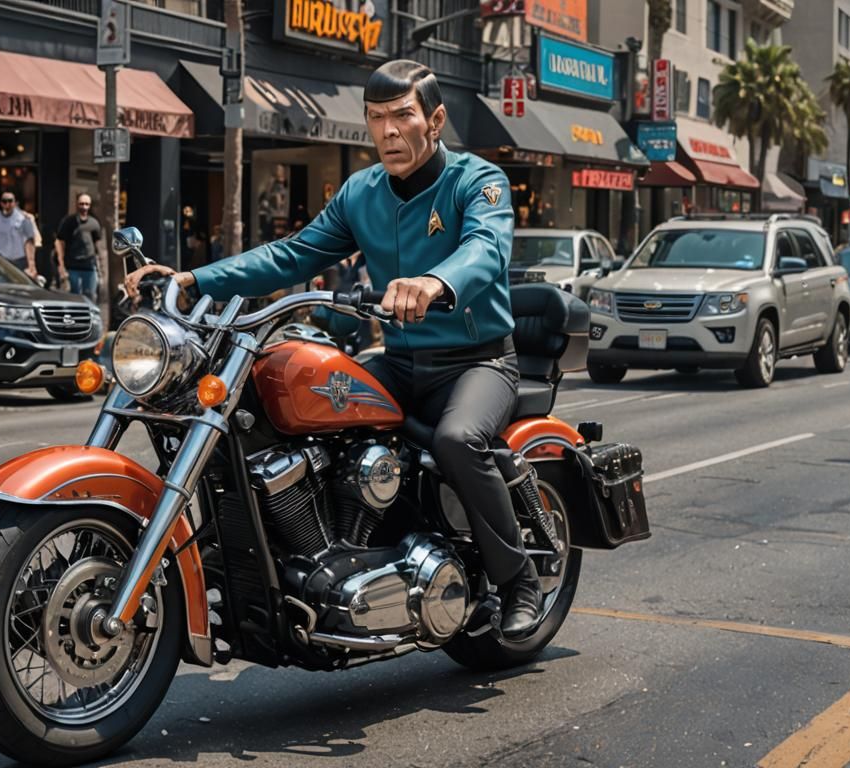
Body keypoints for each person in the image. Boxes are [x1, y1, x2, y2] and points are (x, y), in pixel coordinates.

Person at [126, 59, 542, 634]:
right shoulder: (361, 193)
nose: (389, 132)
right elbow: (292, 255)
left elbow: (484, 250)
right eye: (377, 119)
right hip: (399, 361)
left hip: (477, 363)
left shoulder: (479, 181)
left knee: (456, 439)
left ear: (436, 119)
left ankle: (517, 581)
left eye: (403, 116)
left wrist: (434, 283)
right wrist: (194, 279)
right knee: (297, 404)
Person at [55, 193, 103, 301]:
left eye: (87, 204)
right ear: (77, 205)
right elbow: (59, 242)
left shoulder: (94, 223)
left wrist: (101, 267)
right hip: (72, 266)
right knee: (73, 298)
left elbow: (98, 246)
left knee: (90, 297)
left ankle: (89, 318)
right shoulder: (68, 221)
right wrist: (61, 265)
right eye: (81, 204)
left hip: (89, 267)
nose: (84, 207)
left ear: (90, 205)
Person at [0, 191, 37, 279]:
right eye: (4, 201)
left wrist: (31, 265)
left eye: (10, 201)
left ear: (15, 203)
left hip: (19, 261)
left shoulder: (23, 218)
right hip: (0, 260)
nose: (7, 204)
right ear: (1, 203)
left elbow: (29, 241)